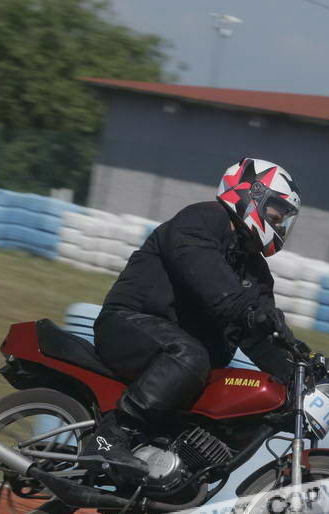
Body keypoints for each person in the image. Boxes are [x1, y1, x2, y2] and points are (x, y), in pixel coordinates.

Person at [82, 157, 304, 485]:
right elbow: (214, 286)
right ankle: (111, 436)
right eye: (277, 210)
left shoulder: (255, 270)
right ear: (252, 195)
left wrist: (298, 369)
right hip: (129, 325)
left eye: (285, 216)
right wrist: (253, 311)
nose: (280, 221)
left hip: (179, 355)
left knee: (229, 387)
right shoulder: (201, 220)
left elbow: (258, 333)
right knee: (190, 355)